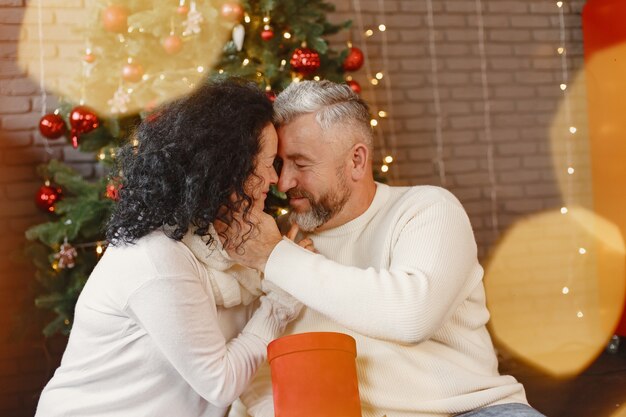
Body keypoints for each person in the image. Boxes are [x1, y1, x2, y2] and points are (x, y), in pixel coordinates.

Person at [225, 80, 546, 417]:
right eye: (279, 165)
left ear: (357, 161)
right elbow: (253, 366)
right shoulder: (273, 242)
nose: (285, 182)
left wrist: (276, 256)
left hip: (467, 411)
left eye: (301, 164)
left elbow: (411, 316)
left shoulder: (426, 209)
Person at [35, 79, 303, 417]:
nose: (275, 179)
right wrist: (278, 304)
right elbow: (220, 384)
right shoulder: (157, 259)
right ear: (226, 168)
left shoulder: (217, 244)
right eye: (266, 163)